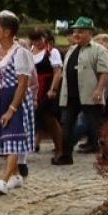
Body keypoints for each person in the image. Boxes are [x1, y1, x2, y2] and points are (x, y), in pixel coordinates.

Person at [0, 11, 35, 193]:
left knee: (13, 137)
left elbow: (23, 83)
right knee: (4, 139)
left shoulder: (20, 53)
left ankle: (4, 181)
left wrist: (12, 108)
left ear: (7, 32)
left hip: (14, 98)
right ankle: (16, 176)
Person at [53, 17, 108, 162]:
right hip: (71, 95)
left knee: (96, 126)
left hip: (90, 94)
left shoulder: (99, 50)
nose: (76, 35)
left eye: (80, 32)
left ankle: (107, 155)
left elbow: (105, 72)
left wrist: (99, 90)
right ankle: (65, 155)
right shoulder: (72, 50)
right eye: (75, 32)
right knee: (66, 125)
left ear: (89, 33)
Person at [29, 28, 65, 160]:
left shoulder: (51, 52)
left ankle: (60, 148)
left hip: (47, 86)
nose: (37, 42)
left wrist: (53, 89)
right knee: (39, 117)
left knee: (50, 118)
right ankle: (34, 143)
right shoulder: (30, 51)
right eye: (34, 40)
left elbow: (57, 72)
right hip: (34, 87)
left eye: (39, 39)